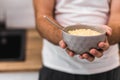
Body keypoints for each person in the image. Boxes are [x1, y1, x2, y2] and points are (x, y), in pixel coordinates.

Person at [33, 0, 120, 80]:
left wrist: (103, 37)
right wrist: (67, 37)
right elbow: (42, 17)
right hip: (57, 66)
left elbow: (117, 19)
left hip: (106, 67)